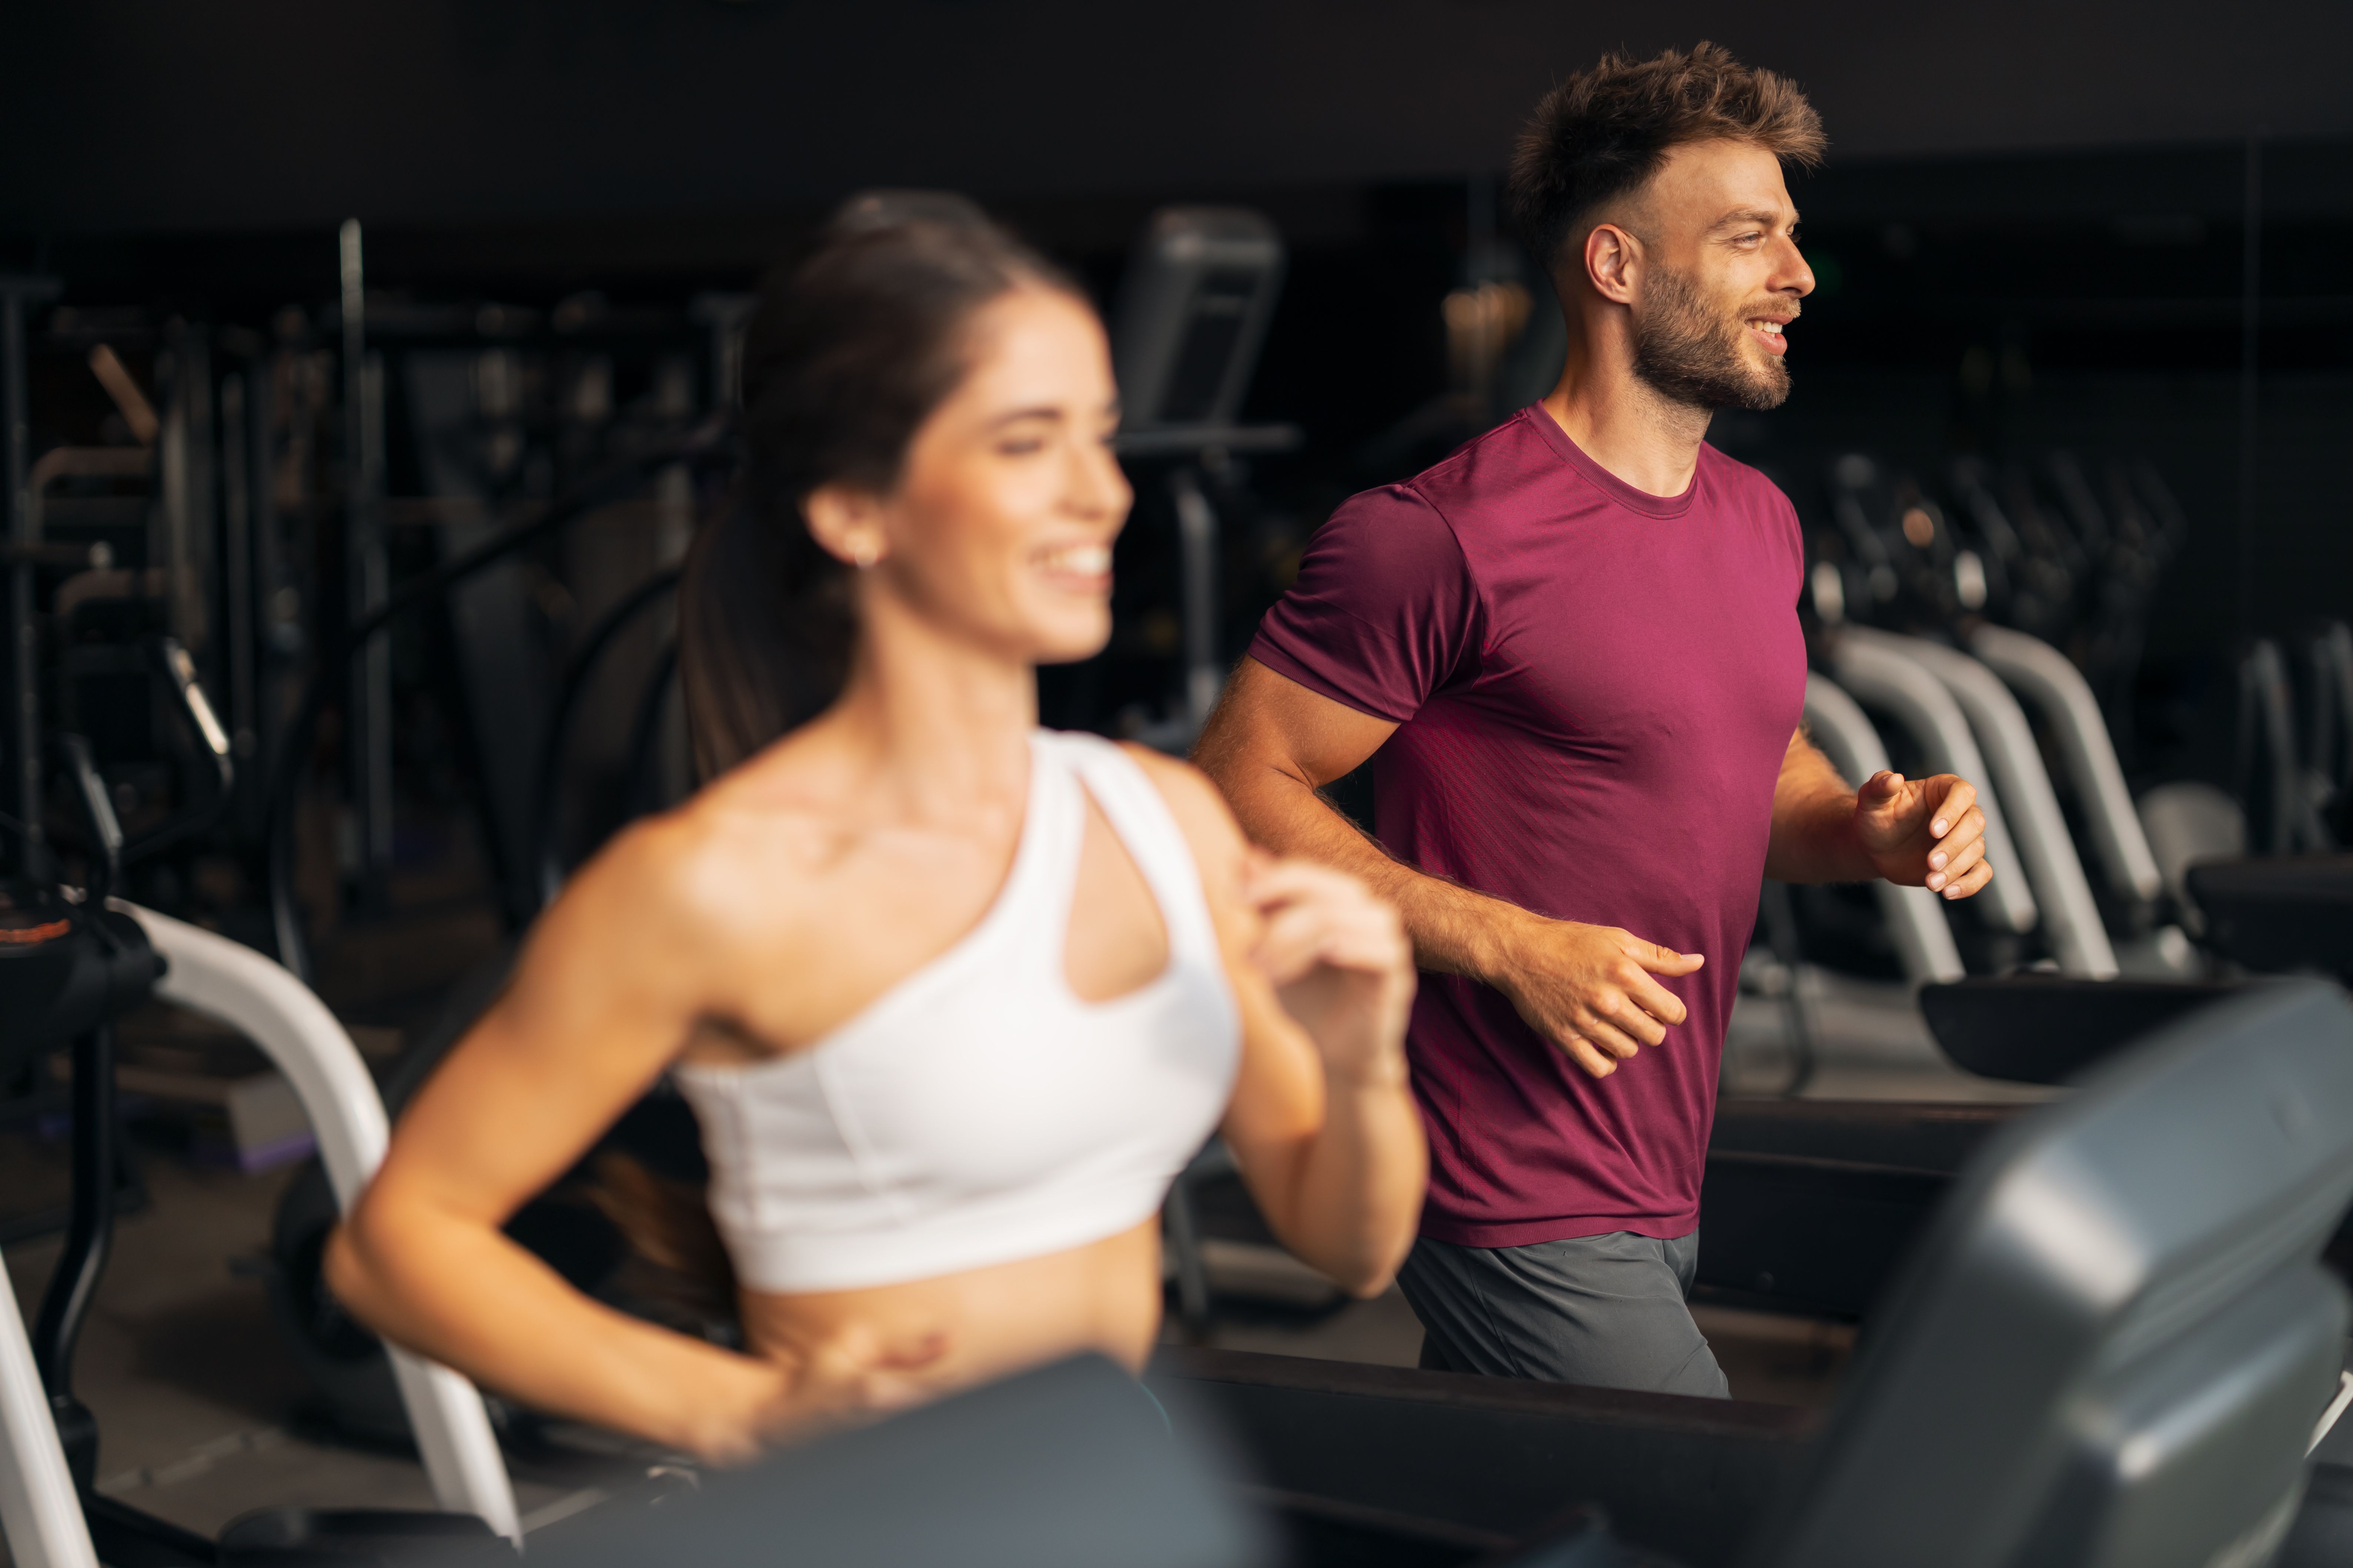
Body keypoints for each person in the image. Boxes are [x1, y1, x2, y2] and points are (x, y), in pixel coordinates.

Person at [325, 211, 1426, 1462]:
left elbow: (1352, 1242)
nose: (1103, 492)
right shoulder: (713, 883)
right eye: (1027, 441)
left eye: (1101, 435)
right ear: (853, 509)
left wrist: (1355, 1062)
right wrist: (729, 1407)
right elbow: (393, 1240)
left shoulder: (1159, 818)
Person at [1193, 44, 1992, 1397]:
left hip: (1659, 1153)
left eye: (1792, 239)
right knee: (1701, 1498)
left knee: (1534, 1505)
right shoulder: (1438, 537)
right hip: (1497, 1168)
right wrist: (1506, 944)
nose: (1797, 277)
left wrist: (1864, 831)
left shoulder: (1755, 522)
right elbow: (1228, 790)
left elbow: (1742, 772)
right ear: (1616, 267)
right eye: (1749, 240)